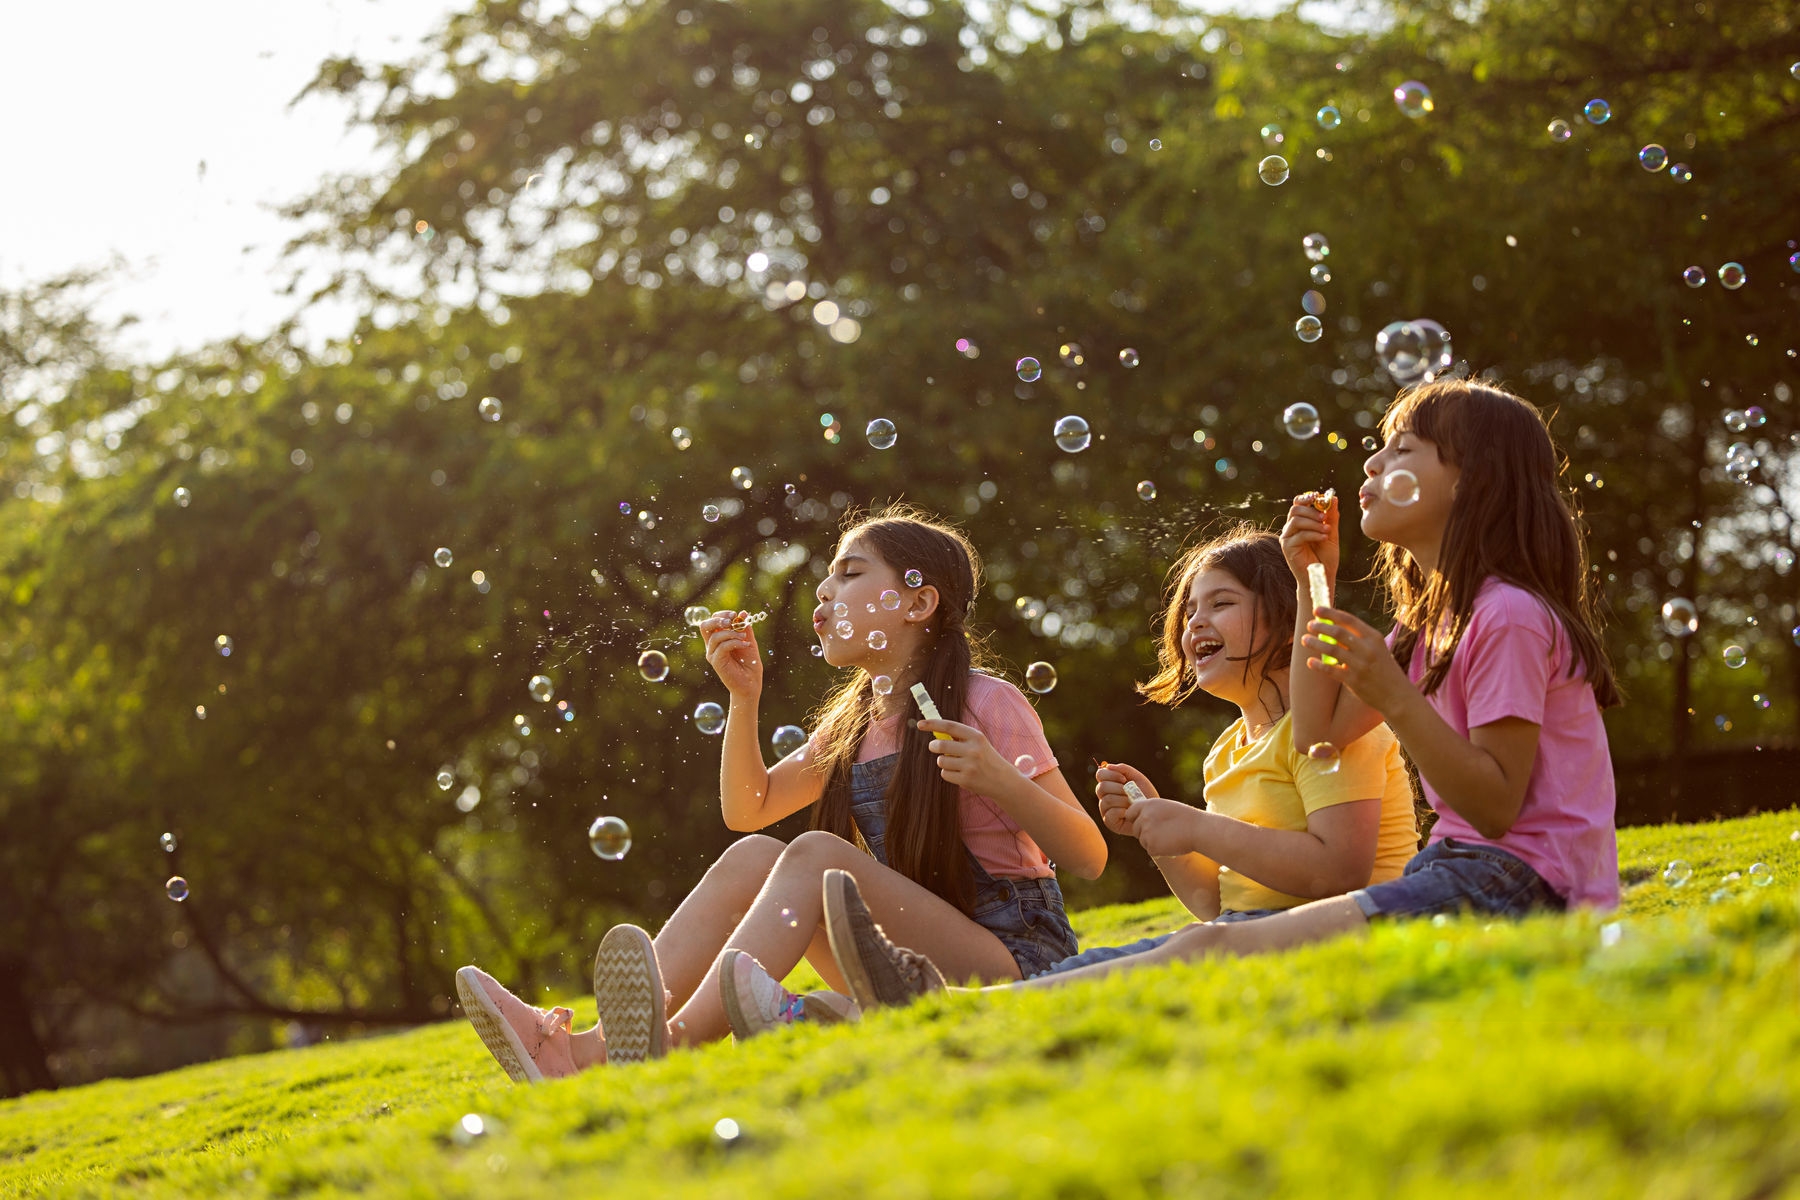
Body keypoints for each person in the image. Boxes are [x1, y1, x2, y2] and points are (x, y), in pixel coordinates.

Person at [825, 379, 1621, 1007]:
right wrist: (1312, 577)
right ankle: (925, 1005)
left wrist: (1398, 697)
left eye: (1400, 449)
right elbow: (1315, 730)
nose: (1372, 466)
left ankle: (961, 1010)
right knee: (1152, 953)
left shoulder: (1507, 616)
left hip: (1519, 885)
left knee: (1204, 951)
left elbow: (1498, 810)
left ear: (1471, 478)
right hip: (1460, 872)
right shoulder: (1430, 627)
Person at [456, 504, 1106, 1081]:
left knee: (819, 854)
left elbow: (1088, 856)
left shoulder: (988, 703)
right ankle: (590, 1051)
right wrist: (744, 698)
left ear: (917, 602)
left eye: (850, 574)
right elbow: (750, 810)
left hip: (1016, 957)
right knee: (753, 859)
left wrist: (999, 779)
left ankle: (666, 1045)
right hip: (907, 960)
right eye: (827, 575)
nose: (824, 590)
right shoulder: (856, 723)